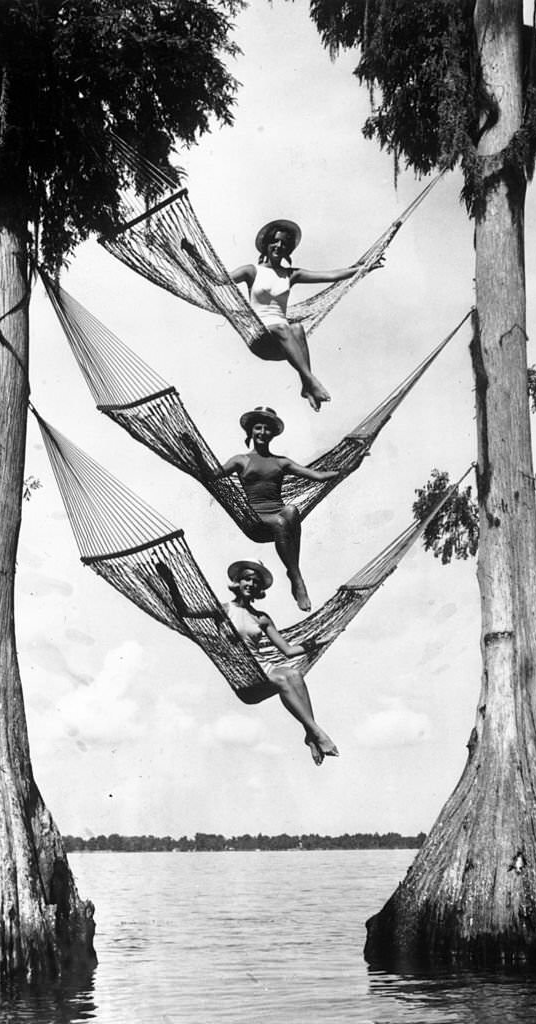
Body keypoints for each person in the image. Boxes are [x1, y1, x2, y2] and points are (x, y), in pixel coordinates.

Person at [156, 558, 338, 766]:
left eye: (256, 582)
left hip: (266, 669)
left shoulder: (262, 618)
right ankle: (317, 733)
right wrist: (170, 580)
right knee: (282, 678)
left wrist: (315, 643)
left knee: (294, 674)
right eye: (247, 580)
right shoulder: (222, 609)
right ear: (237, 582)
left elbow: (288, 651)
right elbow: (185, 611)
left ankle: (311, 735)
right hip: (245, 677)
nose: (251, 585)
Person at [230, 219, 384, 411]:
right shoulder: (251, 271)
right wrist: (194, 254)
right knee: (282, 326)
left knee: (297, 327)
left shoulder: (291, 275)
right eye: (275, 241)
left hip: (283, 345)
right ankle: (311, 381)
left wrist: (364, 268)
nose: (279, 246)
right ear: (267, 244)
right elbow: (219, 279)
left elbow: (330, 275)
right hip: (260, 339)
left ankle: (306, 385)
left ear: (288, 251)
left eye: (284, 244)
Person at [218, 406, 351, 613]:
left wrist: (350, 465)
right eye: (258, 428)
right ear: (251, 432)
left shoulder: (281, 462)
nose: (262, 433)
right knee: (281, 521)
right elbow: (211, 475)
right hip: (254, 521)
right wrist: (194, 452)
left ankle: (293, 572)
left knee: (291, 511)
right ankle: (297, 578)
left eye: (267, 429)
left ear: (272, 434)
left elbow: (317, 475)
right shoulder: (240, 460)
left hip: (278, 515)